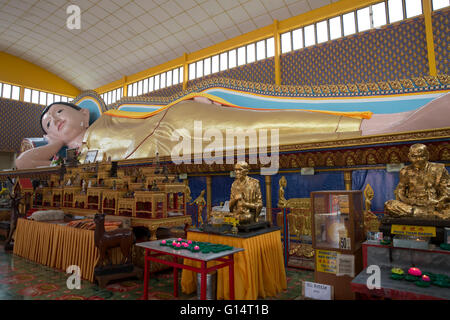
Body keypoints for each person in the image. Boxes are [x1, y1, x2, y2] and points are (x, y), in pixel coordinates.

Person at [15, 93, 450, 169]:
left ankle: (378, 126)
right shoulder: (73, 156)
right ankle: (377, 129)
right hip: (169, 160)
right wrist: (51, 141)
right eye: (48, 123)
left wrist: (195, 101)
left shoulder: (111, 116)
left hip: (174, 128)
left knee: (265, 128)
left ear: (83, 112)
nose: (53, 121)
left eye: (57, 112)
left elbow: (150, 112)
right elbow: (25, 163)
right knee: (264, 145)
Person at [384, 144, 450, 220]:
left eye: (421, 156)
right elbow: (400, 191)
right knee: (390, 204)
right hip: (412, 205)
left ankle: (420, 213)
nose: (418, 159)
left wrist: (437, 202)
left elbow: (447, 193)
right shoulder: (405, 171)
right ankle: (427, 214)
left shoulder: (439, 169)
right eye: (414, 156)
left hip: (432, 204)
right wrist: (409, 201)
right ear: (409, 156)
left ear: (427, 156)